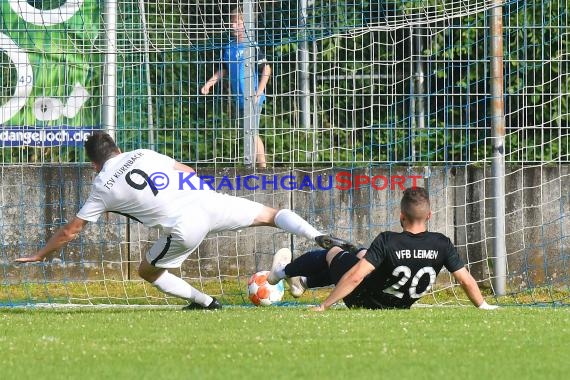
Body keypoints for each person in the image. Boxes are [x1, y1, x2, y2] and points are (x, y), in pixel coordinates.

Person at [14, 132, 342, 310]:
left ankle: (205, 302)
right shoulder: (143, 153)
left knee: (147, 270)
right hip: (208, 200)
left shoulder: (101, 185)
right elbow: (187, 172)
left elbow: (72, 231)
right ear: (117, 148)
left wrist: (41, 255)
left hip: (186, 226)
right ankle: (316, 234)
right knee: (271, 215)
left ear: (94, 164)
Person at [268, 187, 499, 311]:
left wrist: (324, 305)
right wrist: (483, 305)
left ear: (401, 215)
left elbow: (356, 278)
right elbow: (465, 280)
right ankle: (305, 283)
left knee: (334, 254)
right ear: (429, 216)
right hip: (399, 305)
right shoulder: (442, 243)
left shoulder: (388, 240)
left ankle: (282, 272)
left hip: (363, 299)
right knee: (361, 254)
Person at [201, 7, 270, 168]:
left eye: (239, 22)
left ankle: (257, 168)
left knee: (251, 133)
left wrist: (258, 93)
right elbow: (223, 69)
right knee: (248, 133)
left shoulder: (251, 45)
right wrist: (209, 84)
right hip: (238, 99)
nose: (235, 26)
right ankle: (258, 166)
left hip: (252, 98)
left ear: (247, 25)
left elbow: (266, 68)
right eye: (233, 22)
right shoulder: (229, 47)